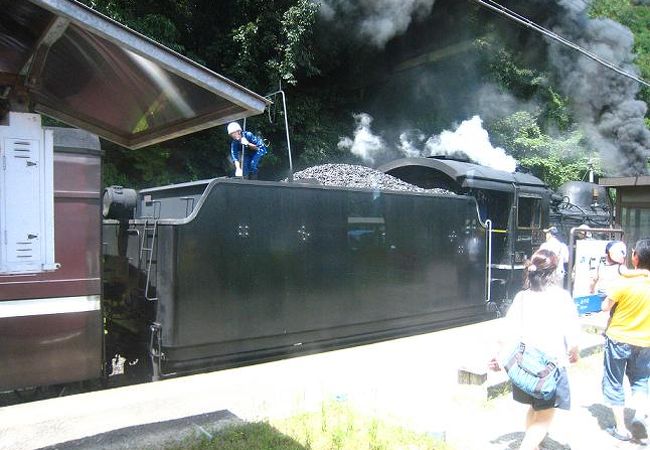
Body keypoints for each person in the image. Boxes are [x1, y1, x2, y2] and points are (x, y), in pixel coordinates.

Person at [489, 249, 580, 450]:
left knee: (534, 408)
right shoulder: (562, 298)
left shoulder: (522, 297)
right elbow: (572, 333)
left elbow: (508, 329)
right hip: (550, 369)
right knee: (545, 417)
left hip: (525, 366)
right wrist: (574, 352)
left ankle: (533, 445)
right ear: (555, 273)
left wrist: (497, 354)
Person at [600, 238, 650, 442]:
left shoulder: (624, 282)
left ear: (635, 258)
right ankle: (640, 416)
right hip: (645, 341)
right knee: (641, 381)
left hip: (618, 338)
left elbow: (605, 306)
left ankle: (621, 428)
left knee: (614, 381)